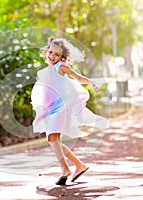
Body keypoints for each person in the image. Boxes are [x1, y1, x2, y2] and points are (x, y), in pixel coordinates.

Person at [31, 38, 106, 185]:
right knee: (53, 139)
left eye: (57, 54)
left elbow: (77, 78)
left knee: (53, 139)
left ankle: (66, 170)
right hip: (53, 109)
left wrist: (90, 83)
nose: (52, 56)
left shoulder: (61, 67)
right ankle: (79, 165)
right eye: (50, 52)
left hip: (60, 108)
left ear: (62, 57)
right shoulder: (49, 69)